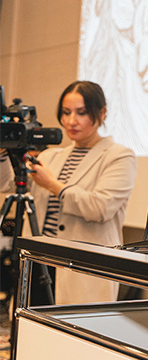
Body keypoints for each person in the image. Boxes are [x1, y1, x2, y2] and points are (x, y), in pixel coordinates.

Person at [0, 81, 137, 305]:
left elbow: (100, 208)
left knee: (71, 326)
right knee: (29, 325)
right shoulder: (51, 156)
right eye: (66, 112)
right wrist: (3, 152)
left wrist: (54, 185)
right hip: (37, 265)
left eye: (81, 113)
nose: (71, 121)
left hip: (81, 271)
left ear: (102, 113)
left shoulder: (119, 156)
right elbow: (7, 184)